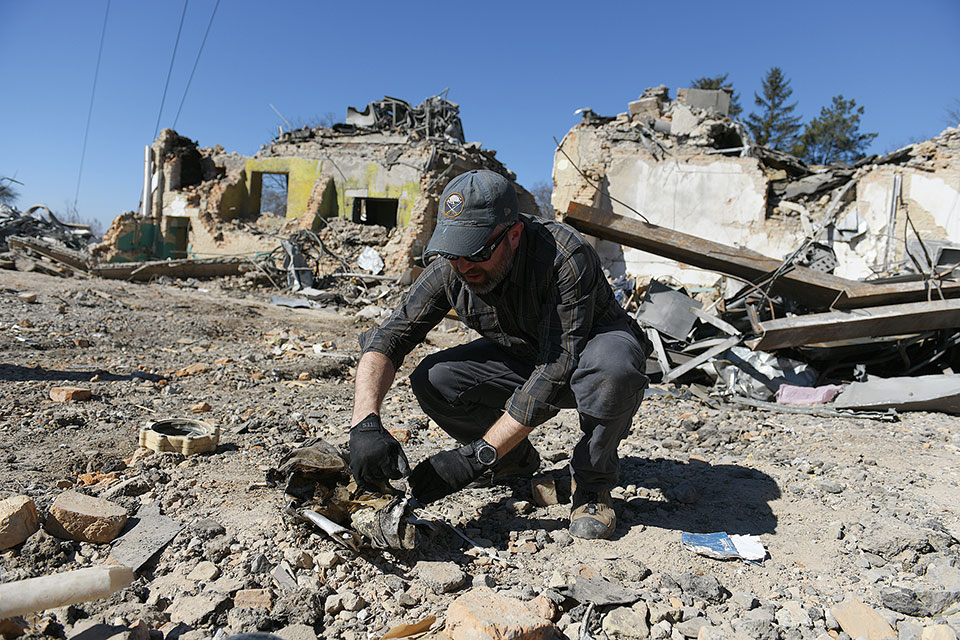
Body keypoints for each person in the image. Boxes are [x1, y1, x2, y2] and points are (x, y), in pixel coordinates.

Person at [348, 169, 650, 539]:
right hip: (525, 352)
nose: (463, 267)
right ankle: (514, 462)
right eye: (454, 253)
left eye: (476, 252)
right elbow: (389, 339)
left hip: (587, 350)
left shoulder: (565, 256)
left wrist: (477, 455)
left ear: (514, 234)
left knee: (613, 371)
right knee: (435, 378)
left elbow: (558, 365)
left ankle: (592, 484)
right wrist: (365, 422)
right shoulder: (452, 268)